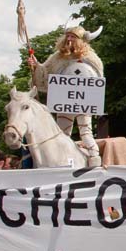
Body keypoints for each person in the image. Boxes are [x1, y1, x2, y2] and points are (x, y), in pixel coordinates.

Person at [28, 25, 105, 167]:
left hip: (83, 100)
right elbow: (44, 72)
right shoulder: (58, 57)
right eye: (67, 36)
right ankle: (61, 159)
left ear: (80, 40)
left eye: (73, 37)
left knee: (86, 130)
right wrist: (36, 66)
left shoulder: (91, 58)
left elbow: (97, 77)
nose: (69, 39)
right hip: (64, 100)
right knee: (62, 132)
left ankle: (95, 157)